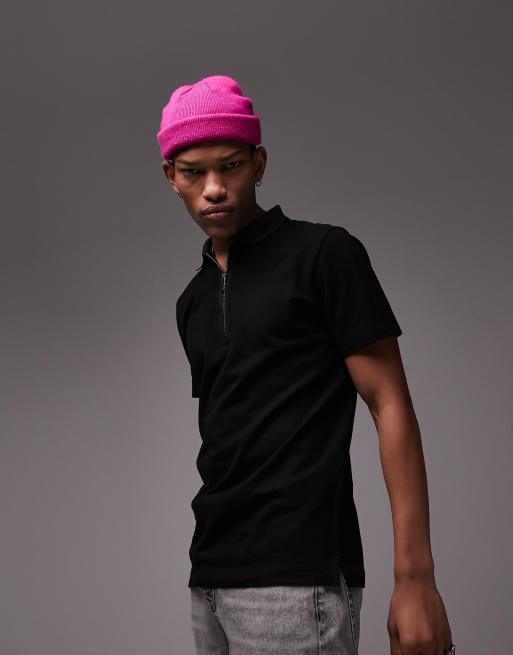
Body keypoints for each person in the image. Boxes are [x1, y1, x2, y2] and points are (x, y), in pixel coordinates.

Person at [156, 74, 455, 655]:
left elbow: (390, 403)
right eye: (193, 172)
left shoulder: (324, 255)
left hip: (298, 577)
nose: (214, 188)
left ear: (259, 163)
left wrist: (415, 578)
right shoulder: (192, 300)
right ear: (172, 176)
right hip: (209, 576)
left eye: (231, 166)